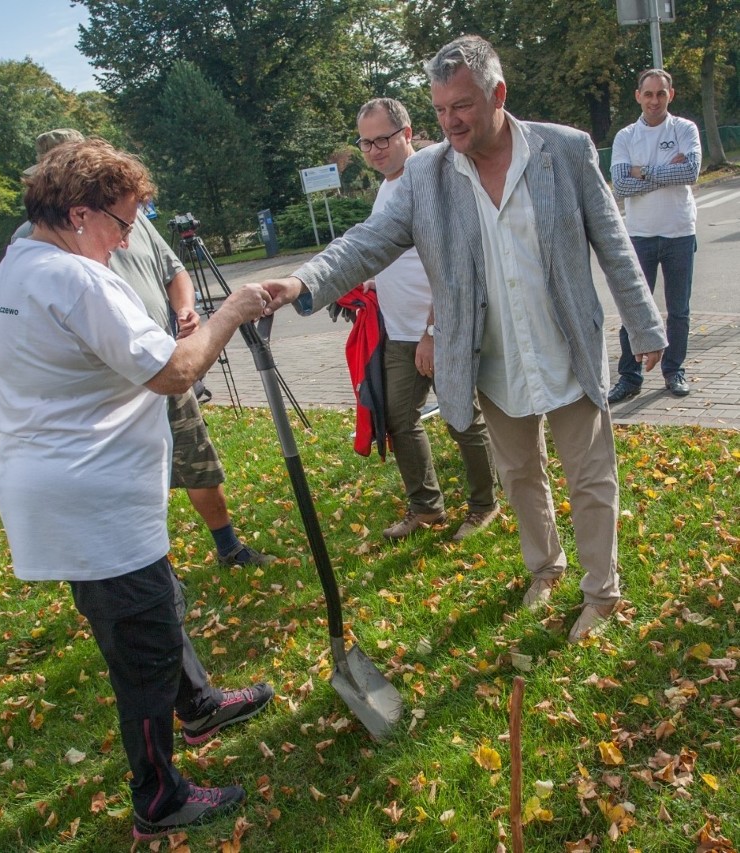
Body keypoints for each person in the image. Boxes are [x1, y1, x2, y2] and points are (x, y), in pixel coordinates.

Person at [260, 35, 667, 643]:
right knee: (520, 473)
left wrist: (644, 323)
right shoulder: (427, 175)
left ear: (497, 94)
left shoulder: (565, 149)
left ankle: (601, 593)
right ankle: (544, 571)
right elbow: (369, 240)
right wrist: (301, 282)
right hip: (492, 359)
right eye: (440, 109)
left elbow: (612, 241)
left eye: (463, 106)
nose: (449, 121)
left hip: (566, 349)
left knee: (590, 477)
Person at [0, 138, 274, 840]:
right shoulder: (77, 280)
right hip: (91, 497)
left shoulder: (13, 273)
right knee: (140, 652)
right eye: (121, 221)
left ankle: (197, 703)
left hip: (64, 493)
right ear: (79, 214)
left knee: (156, 602)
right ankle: (158, 796)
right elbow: (172, 369)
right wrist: (228, 312)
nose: (128, 236)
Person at [19, 129, 275, 567]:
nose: (123, 238)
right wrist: (230, 313)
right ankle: (153, 567)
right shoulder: (44, 244)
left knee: (197, 459)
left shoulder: (127, 217)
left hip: (164, 354)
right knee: (132, 481)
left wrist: (186, 309)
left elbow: (175, 271)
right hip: (117, 383)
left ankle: (227, 545)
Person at [354, 97, 499, 541]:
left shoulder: (433, 181)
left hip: (439, 330)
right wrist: (374, 285)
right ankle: (426, 507)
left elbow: (453, 267)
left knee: (461, 418)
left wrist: (433, 332)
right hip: (397, 333)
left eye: (383, 138)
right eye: (365, 142)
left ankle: (483, 505)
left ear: (407, 133)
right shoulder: (385, 188)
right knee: (399, 419)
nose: (375, 150)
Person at [609, 68, 701, 401]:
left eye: (660, 93)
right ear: (638, 96)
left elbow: (690, 170)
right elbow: (620, 184)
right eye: (648, 94)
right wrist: (667, 172)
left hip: (679, 232)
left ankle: (674, 371)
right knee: (633, 309)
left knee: (679, 310)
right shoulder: (626, 137)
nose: (654, 100)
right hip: (639, 236)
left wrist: (642, 171)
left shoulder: (684, 129)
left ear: (670, 95)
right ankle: (629, 377)